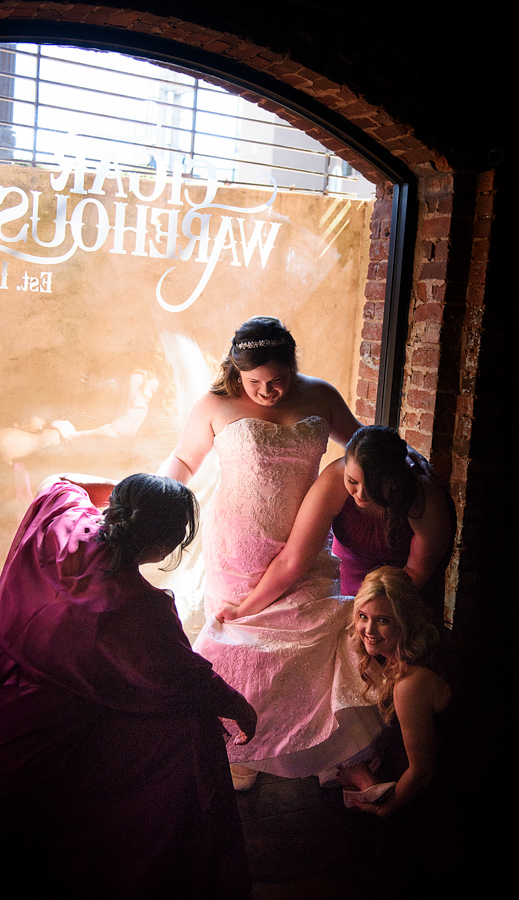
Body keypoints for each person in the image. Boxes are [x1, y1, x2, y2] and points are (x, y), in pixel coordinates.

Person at [0, 471, 256, 900]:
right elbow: (184, 677)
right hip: (52, 713)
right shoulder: (136, 607)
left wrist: (131, 496)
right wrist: (240, 706)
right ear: (161, 548)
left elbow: (61, 479)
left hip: (8, 671)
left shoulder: (63, 518)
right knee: (191, 732)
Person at [159, 316, 382, 787]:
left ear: (293, 365)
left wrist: (406, 466)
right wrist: (149, 499)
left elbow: (362, 445)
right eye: (255, 381)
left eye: (278, 380)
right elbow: (183, 459)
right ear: (235, 371)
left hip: (302, 538)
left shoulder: (319, 395)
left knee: (308, 641)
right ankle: (240, 749)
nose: (267, 391)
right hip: (238, 546)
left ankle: (320, 748)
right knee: (243, 645)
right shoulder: (214, 405)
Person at [229, 425, 454, 625]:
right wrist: (243, 611)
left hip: (407, 590)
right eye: (352, 481)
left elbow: (417, 571)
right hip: (351, 576)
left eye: (374, 486)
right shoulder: (334, 481)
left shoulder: (424, 499)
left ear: (395, 480)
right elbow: (292, 560)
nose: (361, 494)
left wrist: (372, 614)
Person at [339, 566, 452, 816]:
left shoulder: (411, 683)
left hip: (443, 786)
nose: (368, 630)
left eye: (383, 620)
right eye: (363, 616)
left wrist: (385, 811)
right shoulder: (425, 638)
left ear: (405, 619)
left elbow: (422, 771)